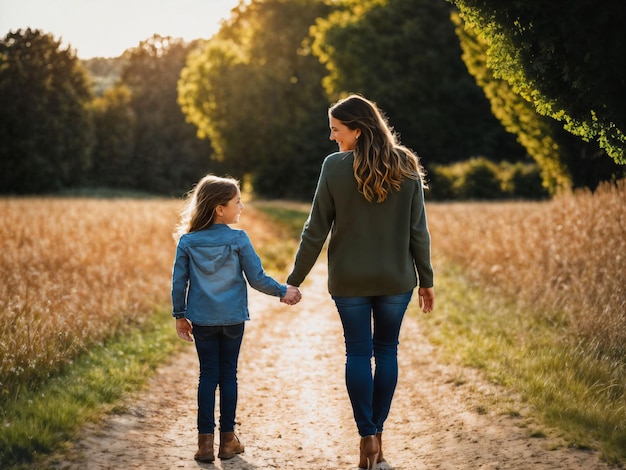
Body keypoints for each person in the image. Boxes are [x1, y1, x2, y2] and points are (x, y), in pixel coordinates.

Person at [285, 94, 435, 469]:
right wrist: (426, 280)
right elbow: (419, 230)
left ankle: (366, 436)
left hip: (349, 280)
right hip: (396, 279)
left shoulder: (334, 167)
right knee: (386, 353)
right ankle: (378, 438)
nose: (332, 137)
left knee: (357, 354)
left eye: (336, 130)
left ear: (357, 129)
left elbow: (314, 230)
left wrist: (294, 279)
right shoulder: (406, 164)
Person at [171, 174, 301, 463]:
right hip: (231, 320)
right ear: (219, 208)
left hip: (202, 320)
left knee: (207, 376)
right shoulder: (238, 238)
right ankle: (227, 441)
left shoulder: (188, 242)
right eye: (237, 202)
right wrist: (283, 291)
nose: (241, 207)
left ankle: (204, 444)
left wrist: (180, 315)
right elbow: (256, 279)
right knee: (228, 375)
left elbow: (178, 283)